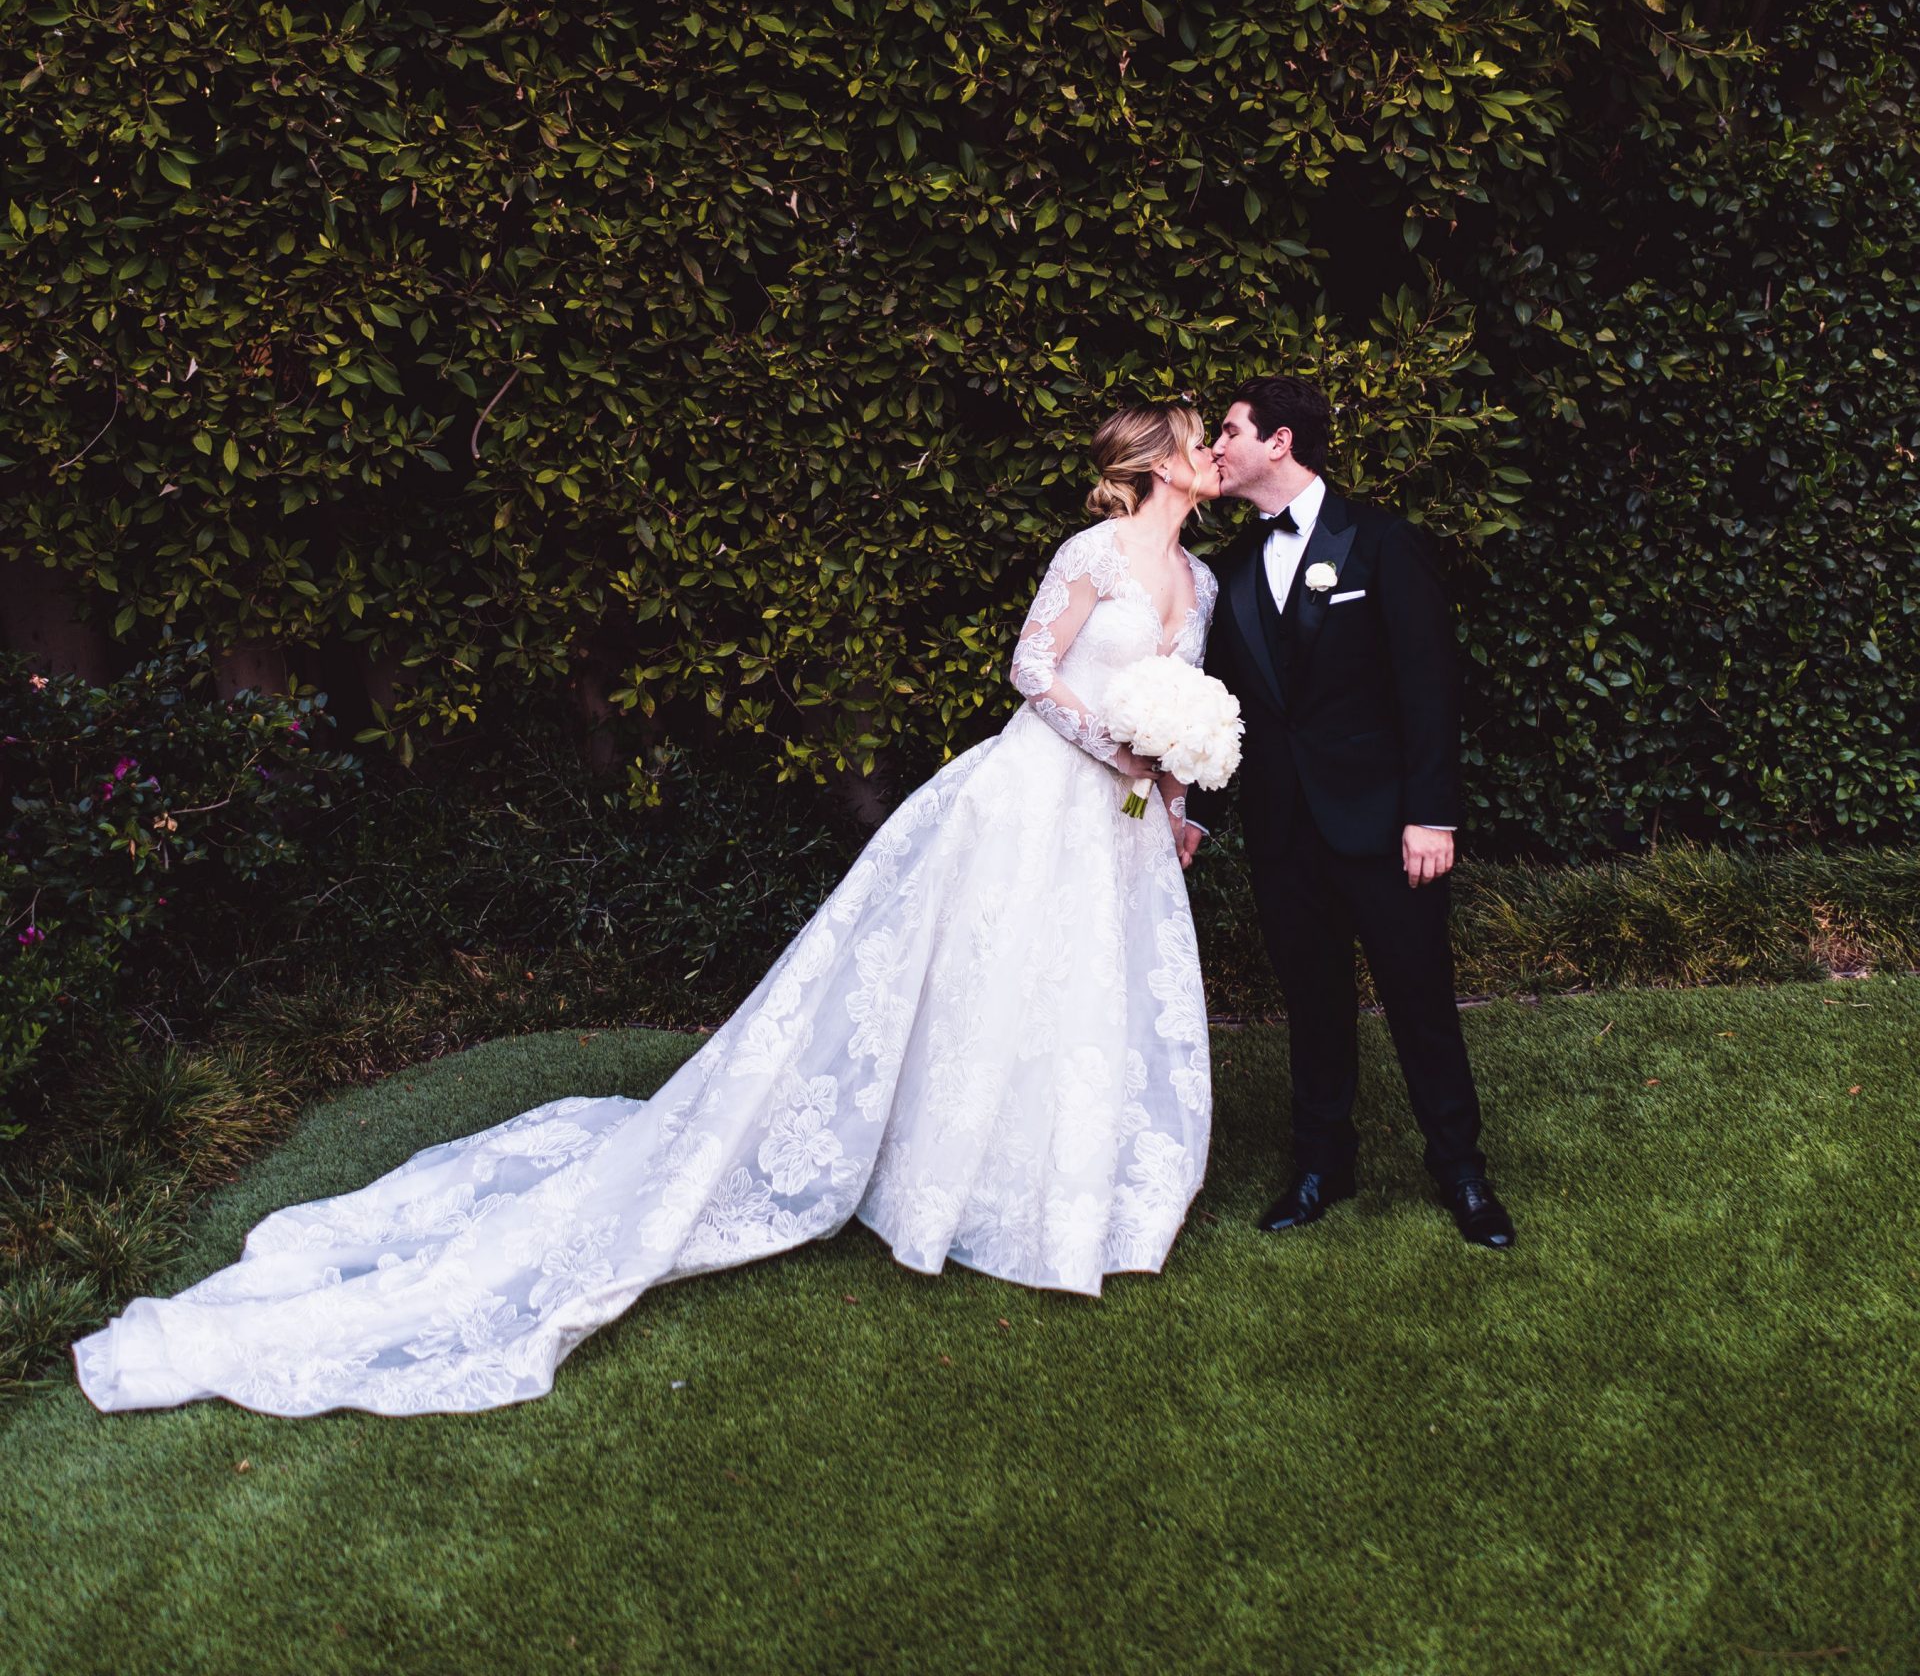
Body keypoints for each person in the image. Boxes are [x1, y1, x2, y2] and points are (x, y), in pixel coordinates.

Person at [74, 403, 1222, 1419]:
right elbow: (1031, 667)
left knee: (1085, 993)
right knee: (990, 977)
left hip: (1119, 825)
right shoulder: (1092, 552)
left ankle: (1060, 1193)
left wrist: (1172, 796)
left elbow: (1177, 701)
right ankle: (943, 1180)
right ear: (1159, 462)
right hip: (1031, 797)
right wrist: (1112, 744)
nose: (1212, 451)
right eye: (1198, 438)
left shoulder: (1201, 582)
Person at [1199, 375, 1514, 1249]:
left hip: (1384, 826)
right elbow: (1225, 711)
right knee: (1312, 1004)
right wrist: (1200, 816)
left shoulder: (1380, 542)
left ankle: (1461, 1170)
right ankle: (1320, 1165)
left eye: (1228, 431)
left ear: (1279, 442)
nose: (1215, 448)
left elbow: (1428, 684)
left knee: (1420, 999)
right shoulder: (1229, 570)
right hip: (1283, 832)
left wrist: (1432, 815)